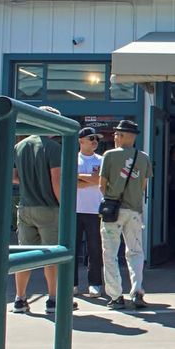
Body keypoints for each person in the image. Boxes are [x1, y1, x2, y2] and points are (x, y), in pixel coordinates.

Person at [10, 106, 75, 314]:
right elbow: (57, 182)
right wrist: (65, 207)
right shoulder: (54, 148)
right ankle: (53, 299)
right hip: (49, 208)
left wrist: (30, 183)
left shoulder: (19, 146)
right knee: (52, 255)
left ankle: (20, 298)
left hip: (25, 206)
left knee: (24, 255)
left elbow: (13, 177)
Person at [99, 120, 153, 310]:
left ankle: (115, 296)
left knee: (110, 253)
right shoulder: (143, 157)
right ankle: (137, 290)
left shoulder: (109, 155)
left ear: (122, 136)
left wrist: (110, 196)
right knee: (136, 251)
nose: (114, 137)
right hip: (135, 211)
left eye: (116, 134)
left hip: (113, 210)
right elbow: (144, 185)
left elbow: (101, 185)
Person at [74, 127, 104, 297]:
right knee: (73, 248)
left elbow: (100, 180)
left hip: (95, 210)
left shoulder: (101, 160)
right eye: (91, 138)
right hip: (75, 210)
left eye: (97, 139)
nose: (95, 141)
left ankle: (95, 283)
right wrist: (91, 179)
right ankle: (72, 284)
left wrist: (80, 177)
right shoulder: (72, 159)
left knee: (95, 249)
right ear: (81, 141)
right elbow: (69, 180)